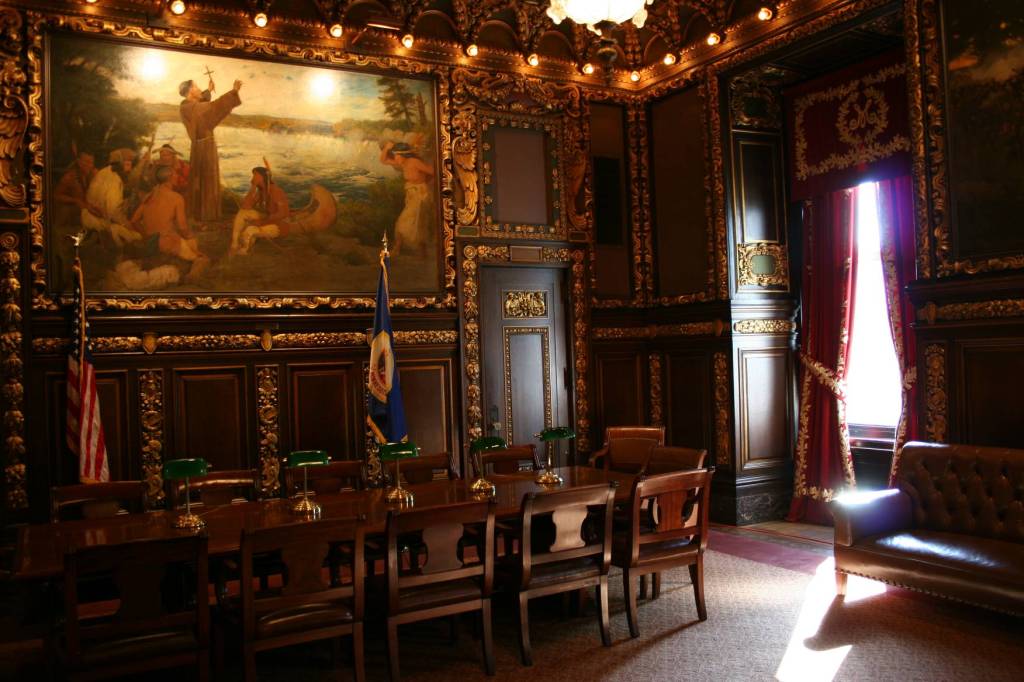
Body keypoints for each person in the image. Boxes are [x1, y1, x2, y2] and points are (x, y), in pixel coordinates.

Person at [178, 75, 243, 221]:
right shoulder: (187, 107)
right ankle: (204, 216)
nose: (199, 88)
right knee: (205, 180)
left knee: (205, 179)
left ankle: (205, 215)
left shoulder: (190, 106)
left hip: (204, 145)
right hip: (203, 148)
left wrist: (208, 91)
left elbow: (201, 107)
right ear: (189, 91)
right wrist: (232, 92)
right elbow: (211, 108)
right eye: (196, 87)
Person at [130, 165, 209, 281]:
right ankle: (189, 279)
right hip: (167, 241)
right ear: (170, 177)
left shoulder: (150, 196)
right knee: (203, 259)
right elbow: (182, 228)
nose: (177, 176)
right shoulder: (177, 198)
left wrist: (146, 236)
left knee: (187, 246)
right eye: (175, 174)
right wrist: (191, 239)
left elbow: (134, 221)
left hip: (151, 242)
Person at [379, 141, 434, 257]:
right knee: (418, 222)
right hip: (411, 194)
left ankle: (396, 249)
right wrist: (386, 148)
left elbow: (432, 171)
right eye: (394, 156)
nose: (395, 158)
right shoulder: (403, 163)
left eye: (397, 156)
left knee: (405, 221)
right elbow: (383, 160)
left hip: (420, 194)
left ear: (403, 155)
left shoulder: (414, 162)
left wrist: (424, 183)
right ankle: (423, 252)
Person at [80, 148, 142, 247]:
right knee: (137, 236)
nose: (129, 169)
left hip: (89, 217)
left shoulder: (105, 172)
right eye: (127, 165)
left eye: (130, 165)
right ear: (120, 164)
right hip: (97, 222)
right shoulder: (115, 181)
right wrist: (129, 225)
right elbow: (113, 212)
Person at [230, 166, 291, 256]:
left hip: (279, 224)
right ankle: (234, 244)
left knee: (249, 230)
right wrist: (253, 187)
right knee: (242, 213)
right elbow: (246, 206)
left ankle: (244, 250)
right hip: (267, 218)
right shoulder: (261, 191)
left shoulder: (276, 191)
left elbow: (283, 214)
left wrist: (261, 222)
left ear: (263, 177)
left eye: (255, 176)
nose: (253, 178)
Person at [53, 150, 100, 231]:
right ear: (78, 162)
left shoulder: (93, 175)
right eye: (86, 162)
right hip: (73, 215)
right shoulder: (69, 177)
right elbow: (56, 195)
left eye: (91, 162)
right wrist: (75, 200)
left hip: (88, 212)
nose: (89, 165)